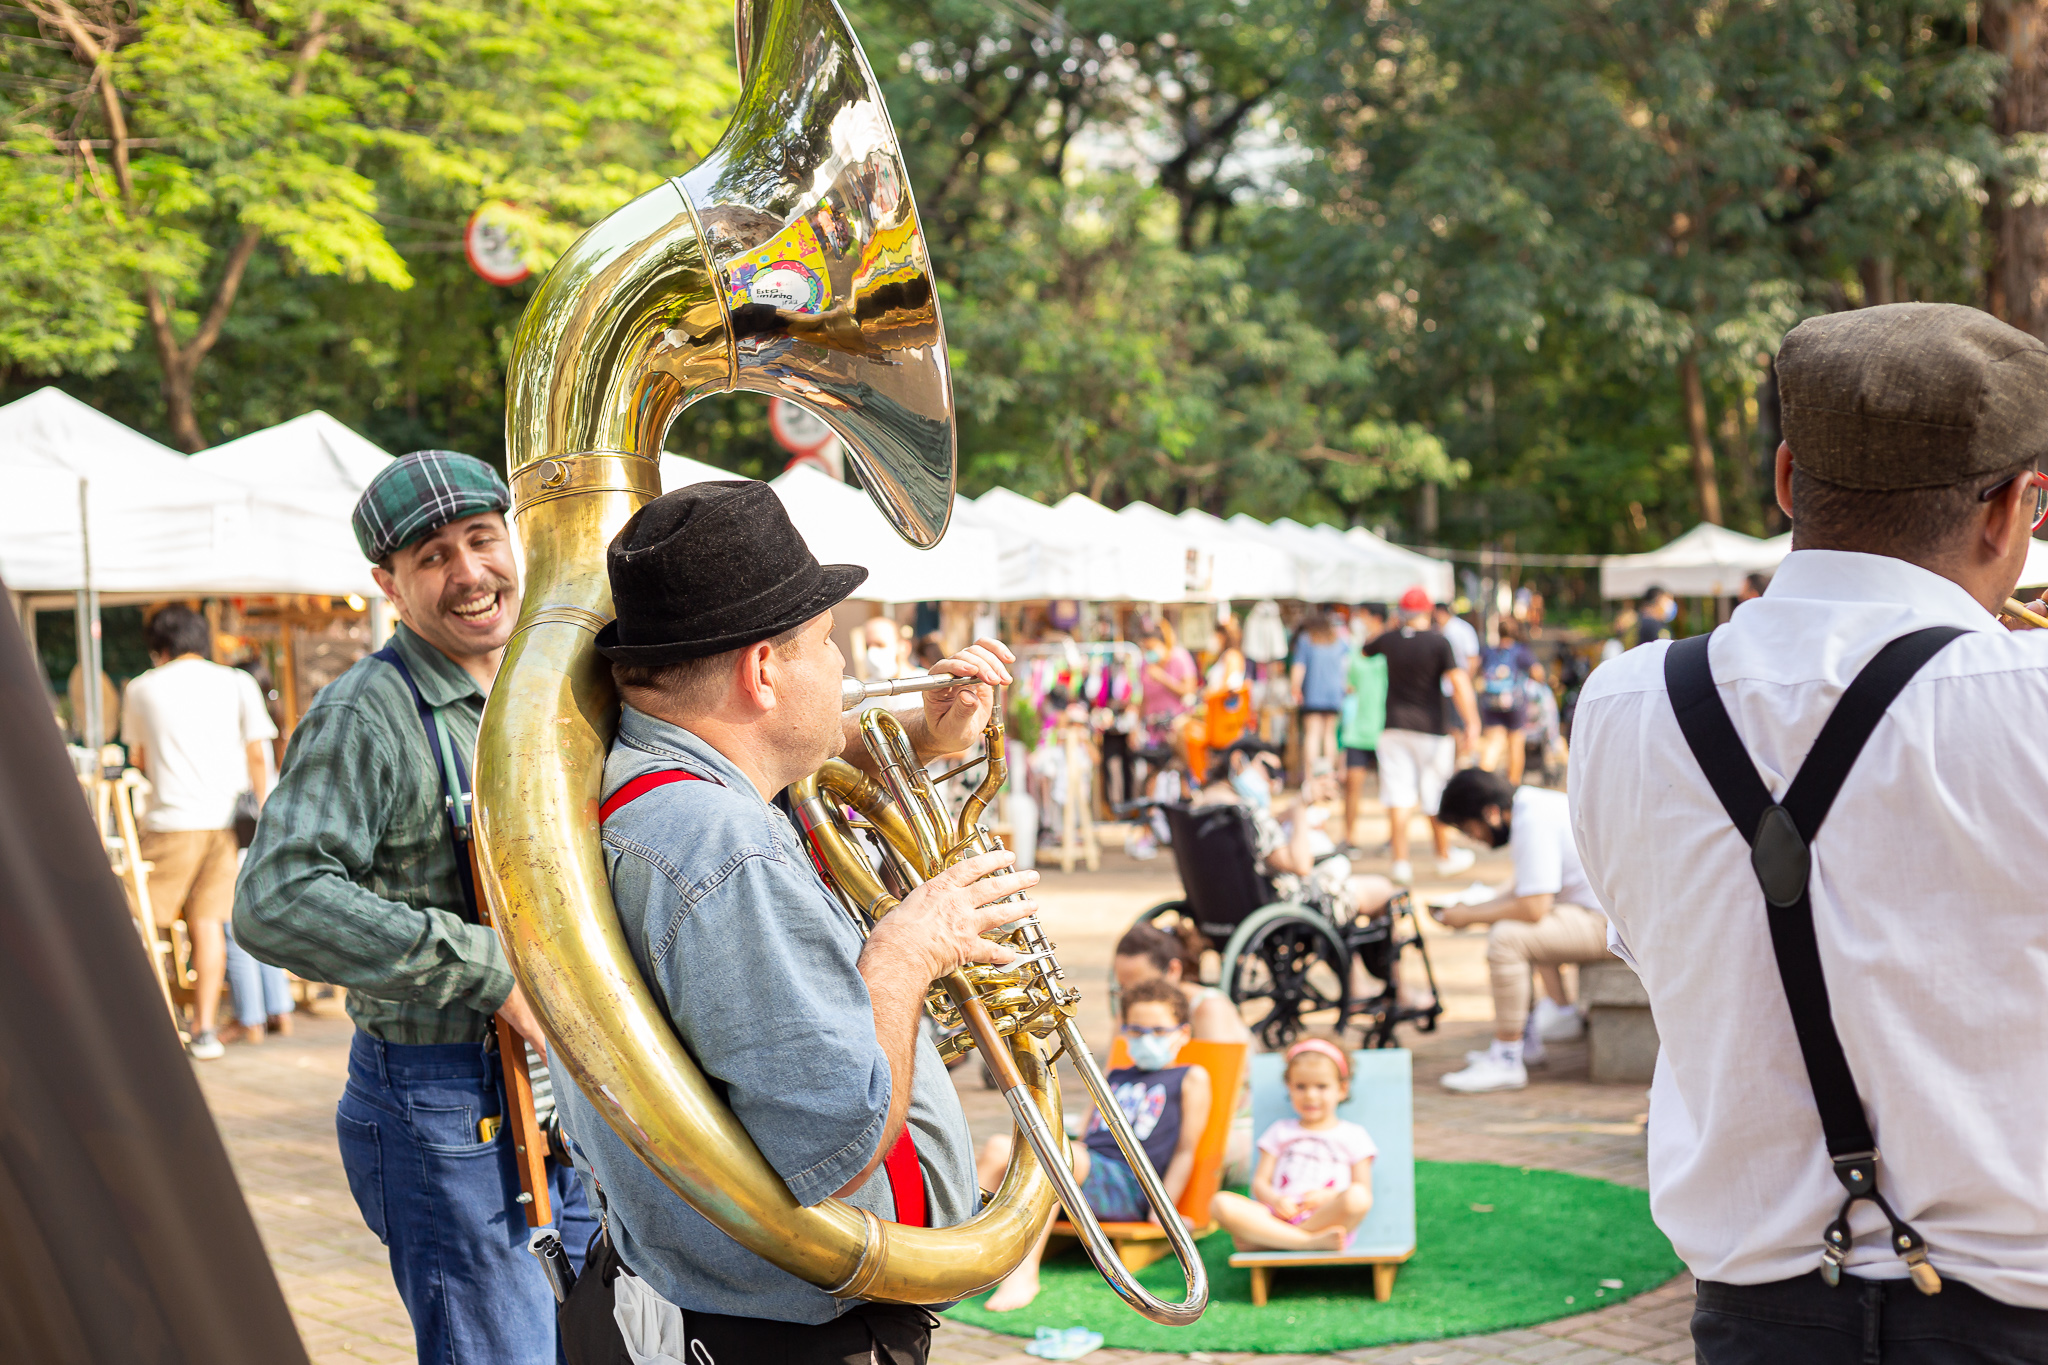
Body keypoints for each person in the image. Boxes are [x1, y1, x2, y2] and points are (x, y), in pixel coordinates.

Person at [1570, 303, 2048, 1359]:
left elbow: (1664, 958)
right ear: (2015, 506)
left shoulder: (1620, 702)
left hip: (1754, 1318)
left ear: (1787, 481)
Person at [552, 481, 1026, 1362]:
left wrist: (919, 739)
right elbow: (836, 1137)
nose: (844, 667)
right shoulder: (723, 848)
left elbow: (774, 761)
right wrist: (903, 952)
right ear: (763, 669)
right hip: (792, 1327)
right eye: (827, 643)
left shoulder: (658, 789)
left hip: (715, 1304)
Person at [235, 450, 596, 1365]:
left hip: (573, 1093)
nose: (470, 572)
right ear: (387, 584)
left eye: (482, 539)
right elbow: (275, 899)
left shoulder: (547, 682)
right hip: (445, 1099)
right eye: (433, 556)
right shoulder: (367, 714)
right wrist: (484, 967)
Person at [975, 979, 1212, 1312]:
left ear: (1183, 1033)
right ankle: (968, 1246)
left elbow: (1187, 1149)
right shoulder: (1114, 1073)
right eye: (1137, 1030)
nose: (1147, 1039)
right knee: (1001, 1145)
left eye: (1159, 1031)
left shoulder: (1190, 1077)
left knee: (1062, 1154)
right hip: (1085, 1168)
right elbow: (1086, 1133)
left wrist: (1164, 1213)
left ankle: (1024, 1273)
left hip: (1130, 1185)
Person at [120, 603, 277, 1060]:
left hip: (171, 821)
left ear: (159, 645)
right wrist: (264, 817)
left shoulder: (143, 688)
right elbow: (256, 756)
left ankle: (153, 1028)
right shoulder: (238, 682)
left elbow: (141, 760)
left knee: (147, 925)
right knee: (208, 924)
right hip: (227, 821)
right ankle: (204, 1030)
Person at [1430, 768, 1608, 1093]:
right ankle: (1527, 1042)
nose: (1474, 839)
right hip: (1606, 916)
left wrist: (1468, 915)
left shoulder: (1532, 820)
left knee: (1507, 938)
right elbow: (1530, 889)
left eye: (1469, 829)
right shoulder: (1533, 805)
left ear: (1491, 812)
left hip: (1610, 926)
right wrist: (1474, 906)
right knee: (1516, 926)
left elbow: (1533, 907)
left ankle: (1507, 1058)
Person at [1211, 1039, 1375, 1251]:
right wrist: (1276, 1200)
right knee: (1220, 1203)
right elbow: (1259, 1183)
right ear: (1289, 1088)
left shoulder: (1354, 1135)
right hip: (1277, 1218)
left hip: (1327, 1222)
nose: (1310, 1095)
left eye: (1322, 1086)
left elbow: (1362, 1189)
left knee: (1357, 1198)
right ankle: (1305, 1243)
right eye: (1300, 1086)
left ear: (1342, 1089)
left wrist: (1329, 1196)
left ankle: (1272, 1241)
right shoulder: (1280, 1131)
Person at [1364, 588, 1480, 884]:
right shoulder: (1439, 642)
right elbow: (1459, 682)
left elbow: (1366, 647)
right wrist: (1472, 722)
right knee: (1435, 793)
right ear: (1429, 611)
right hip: (1431, 729)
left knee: (1398, 797)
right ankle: (1443, 855)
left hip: (1393, 727)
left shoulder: (1390, 640)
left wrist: (1392, 626)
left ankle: (1400, 862)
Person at [1112, 921, 1251, 1046]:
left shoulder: (1208, 1008)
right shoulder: (1131, 1005)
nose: (1133, 997)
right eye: (1123, 988)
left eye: (1143, 988)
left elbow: (1221, 1072)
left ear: (1173, 970)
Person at [1339, 603, 1389, 852]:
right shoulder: (1357, 650)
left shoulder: (1391, 650)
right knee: (1352, 786)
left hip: (1386, 730)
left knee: (1390, 790)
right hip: (1358, 730)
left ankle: (1393, 838)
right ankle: (1349, 838)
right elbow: (1350, 686)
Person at [1289, 610, 1349, 801]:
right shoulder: (1338, 641)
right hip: (1334, 694)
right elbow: (1345, 667)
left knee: (1313, 734)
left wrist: (1295, 688)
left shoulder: (1306, 640)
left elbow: (1299, 667)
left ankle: (1310, 778)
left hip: (1313, 693)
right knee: (1330, 735)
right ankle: (1329, 779)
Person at [1475, 618, 1539, 785]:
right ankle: (1513, 785)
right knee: (1516, 744)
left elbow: (1476, 669)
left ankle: (1482, 779)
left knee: (1493, 743)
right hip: (1515, 705)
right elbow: (1537, 672)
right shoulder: (1521, 651)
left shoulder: (1488, 651)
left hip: (1491, 703)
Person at [1432, 600, 1481, 761]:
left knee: (1458, 729)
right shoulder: (1440, 631)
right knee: (1450, 729)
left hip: (1457, 687)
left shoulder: (1460, 630)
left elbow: (1472, 659)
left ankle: (1458, 764)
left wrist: (1465, 682)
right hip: (1444, 688)